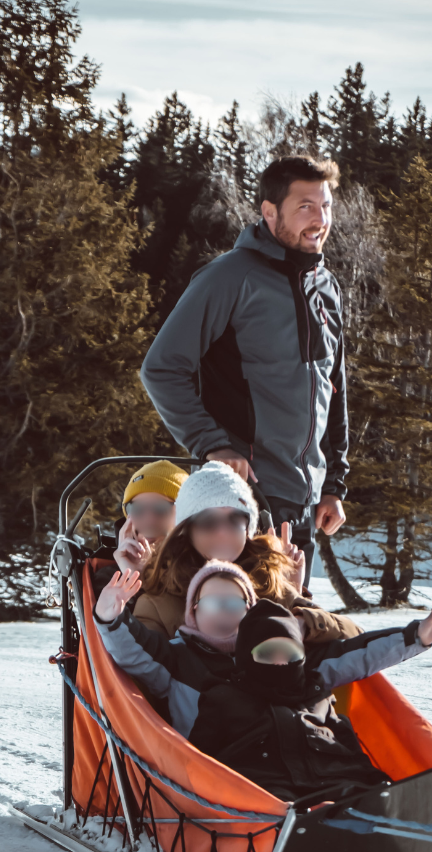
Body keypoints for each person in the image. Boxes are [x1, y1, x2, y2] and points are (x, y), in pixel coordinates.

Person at [139, 155, 350, 583]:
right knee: (233, 618)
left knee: (292, 621)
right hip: (238, 503)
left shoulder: (325, 287)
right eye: (305, 206)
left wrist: (333, 485)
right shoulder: (228, 278)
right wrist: (212, 444)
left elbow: (332, 389)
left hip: (303, 504)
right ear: (269, 212)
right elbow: (161, 369)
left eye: (325, 205)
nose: (320, 219)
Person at [95, 569, 432, 800]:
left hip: (319, 768)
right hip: (233, 778)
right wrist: (111, 616)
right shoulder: (177, 659)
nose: (224, 610)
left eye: (235, 602)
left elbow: (356, 654)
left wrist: (416, 636)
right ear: (194, 611)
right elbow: (135, 649)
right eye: (213, 602)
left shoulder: (294, 659)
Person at [129, 461, 358, 644]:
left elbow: (353, 633)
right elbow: (143, 668)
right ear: (187, 531)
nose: (223, 533)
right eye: (208, 522)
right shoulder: (159, 604)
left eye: (235, 520)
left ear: (248, 528)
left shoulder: (269, 584)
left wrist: (300, 622)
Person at [113, 459, 188, 574]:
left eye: (161, 508)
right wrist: (132, 574)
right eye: (137, 509)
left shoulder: (205, 571)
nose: (149, 520)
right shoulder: (106, 579)